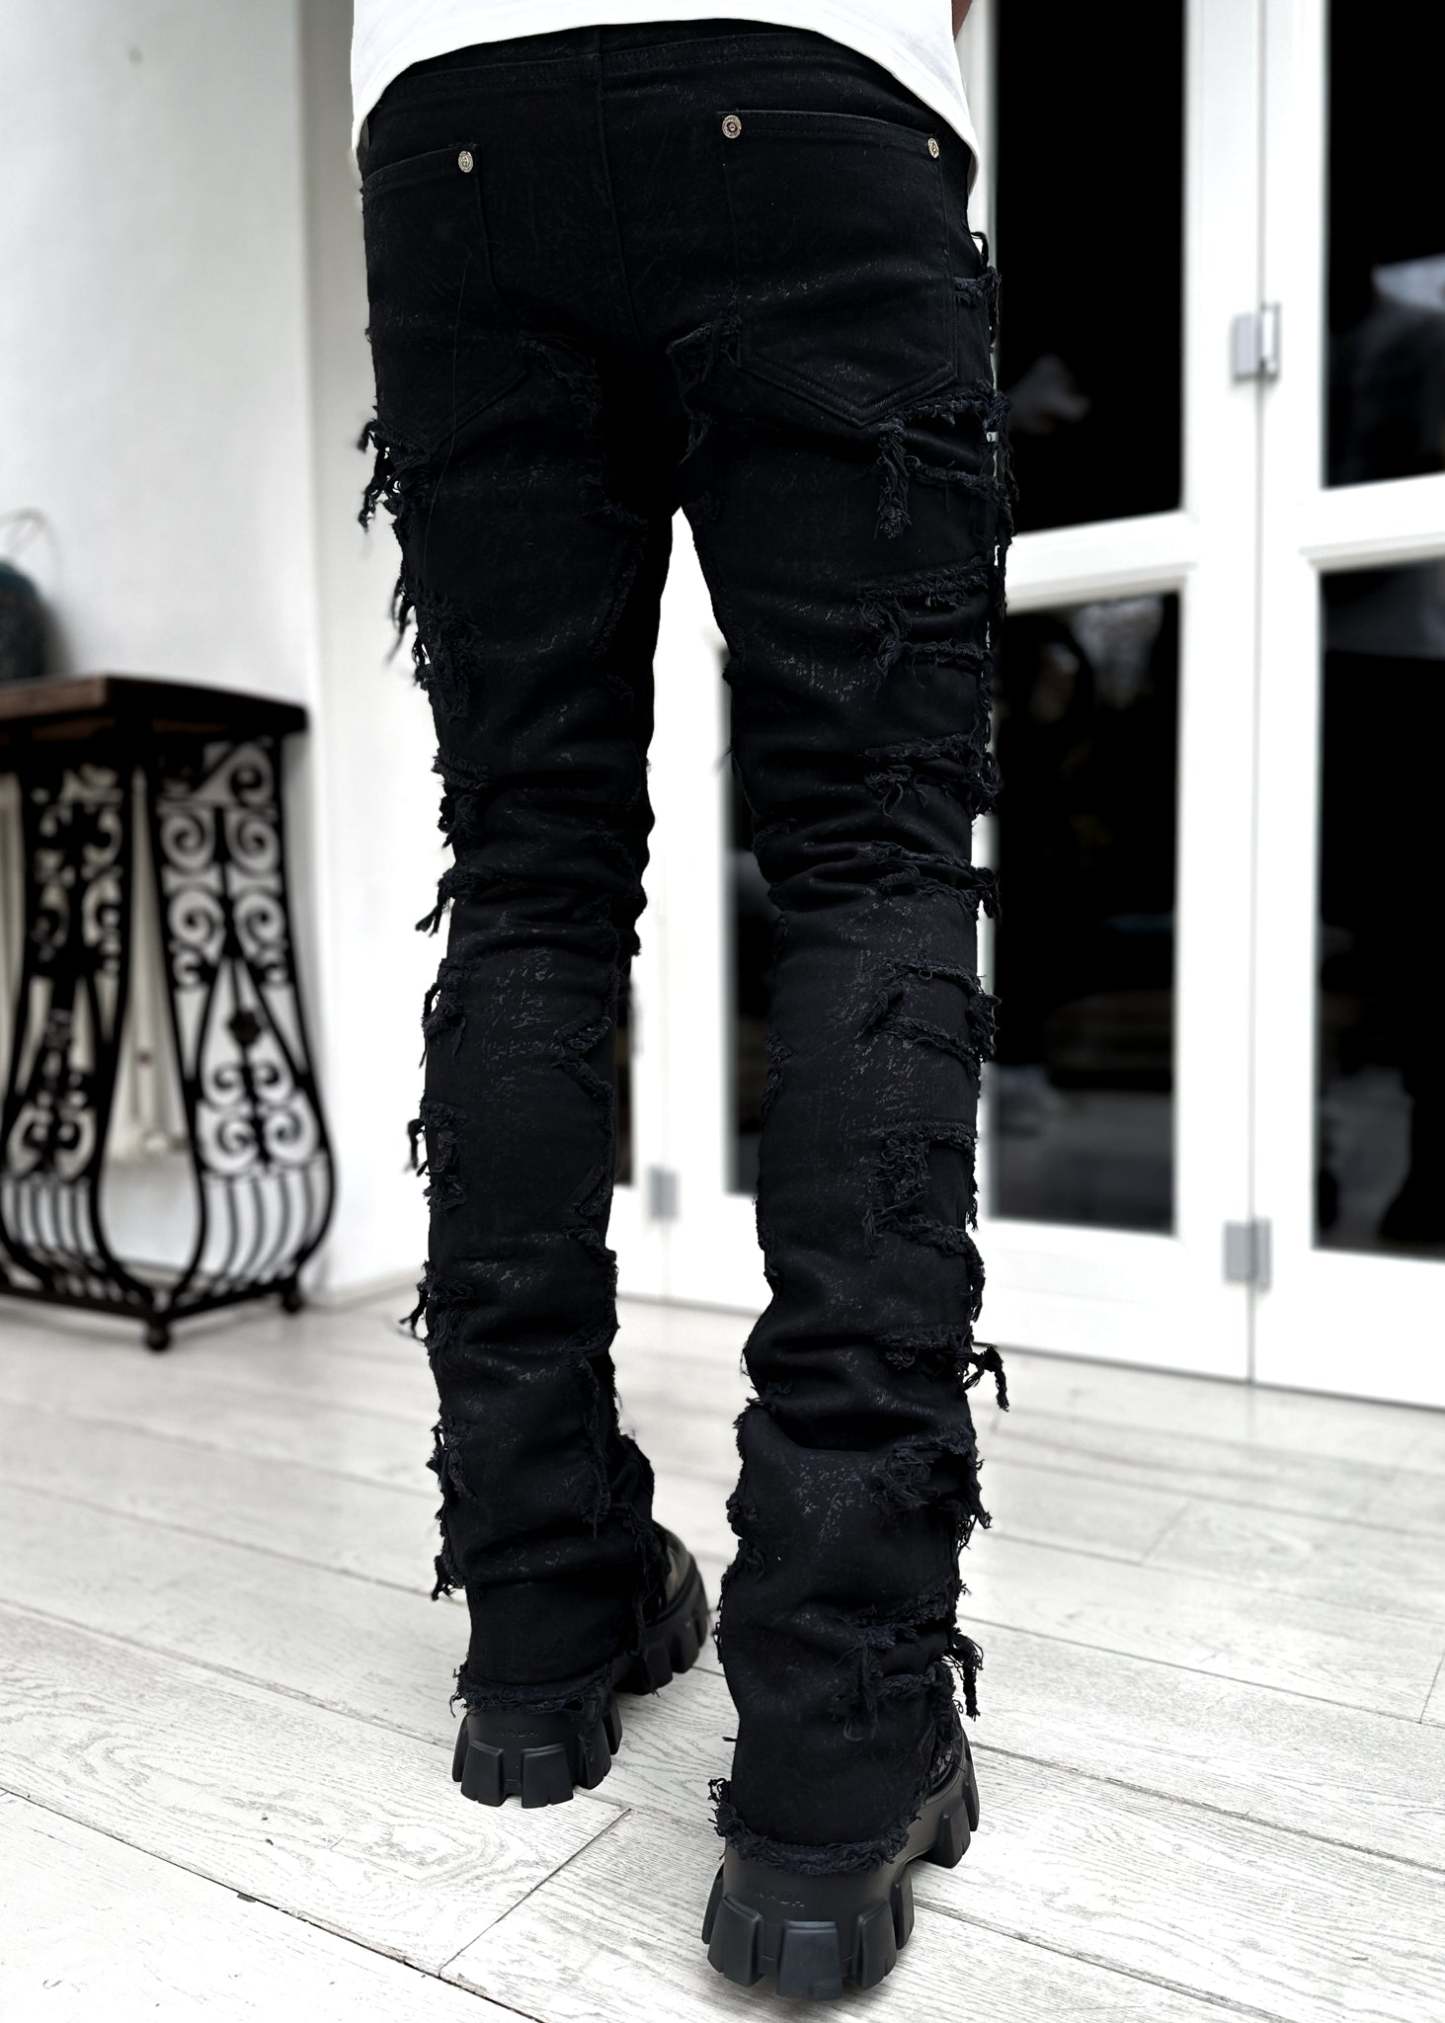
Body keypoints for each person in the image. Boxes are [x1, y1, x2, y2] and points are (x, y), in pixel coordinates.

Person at [352, 2, 1010, 1999]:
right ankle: (838, 1720)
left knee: (529, 872)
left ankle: (541, 1614)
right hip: (809, 88)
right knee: (870, 864)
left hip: (453, 134)